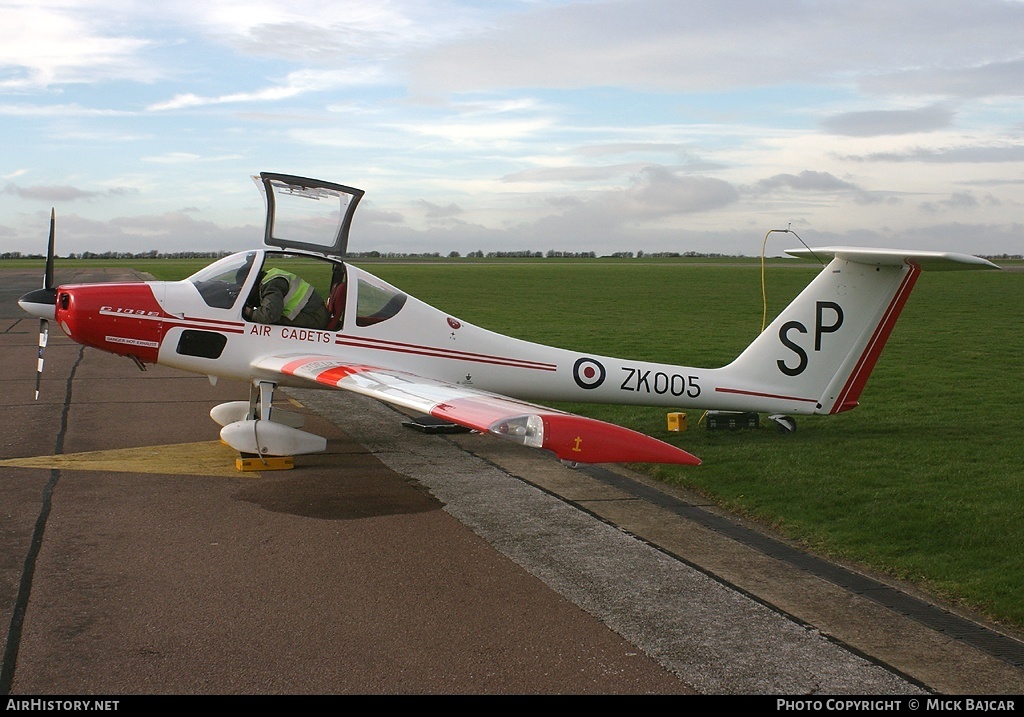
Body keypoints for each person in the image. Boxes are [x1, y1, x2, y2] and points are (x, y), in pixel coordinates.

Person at [242, 268, 330, 329]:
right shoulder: (270, 276)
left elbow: (270, 315)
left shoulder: (271, 285)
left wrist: (249, 312)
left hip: (315, 318)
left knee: (271, 321)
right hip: (315, 313)